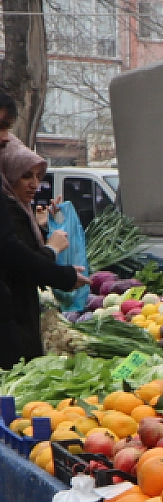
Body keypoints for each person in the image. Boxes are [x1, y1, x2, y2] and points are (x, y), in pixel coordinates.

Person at [0, 141, 82, 368]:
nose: (34, 185)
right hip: (13, 320)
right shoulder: (8, 210)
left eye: (38, 176)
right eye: (26, 176)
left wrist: (43, 226)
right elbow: (21, 264)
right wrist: (53, 250)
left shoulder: (21, 209)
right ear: (8, 174)